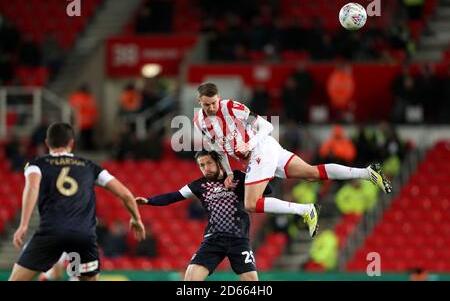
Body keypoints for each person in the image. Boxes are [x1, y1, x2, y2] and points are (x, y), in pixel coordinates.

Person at [193, 82, 392, 238]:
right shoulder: (199, 122)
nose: (211, 107)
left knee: (251, 204)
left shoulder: (231, 107)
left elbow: (267, 127)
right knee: (312, 174)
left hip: (261, 149)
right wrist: (228, 172)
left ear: (218, 98)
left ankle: (305, 210)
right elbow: (218, 147)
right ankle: (367, 172)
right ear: (199, 101)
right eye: (206, 104)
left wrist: (249, 144)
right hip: (264, 152)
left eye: (214, 103)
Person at [9, 123, 145, 281]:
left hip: (51, 233)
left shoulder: (37, 165)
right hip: (83, 235)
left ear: (47, 143)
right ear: (71, 143)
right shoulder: (90, 167)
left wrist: (24, 224)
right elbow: (126, 195)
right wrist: (136, 219)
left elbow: (32, 188)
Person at [136, 150, 273, 281]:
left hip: (239, 239)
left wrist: (252, 175)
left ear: (219, 162)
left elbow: (267, 190)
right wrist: (149, 201)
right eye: (202, 165)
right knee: (190, 279)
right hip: (213, 240)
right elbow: (174, 196)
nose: (206, 168)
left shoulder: (237, 177)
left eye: (209, 163)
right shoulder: (199, 185)